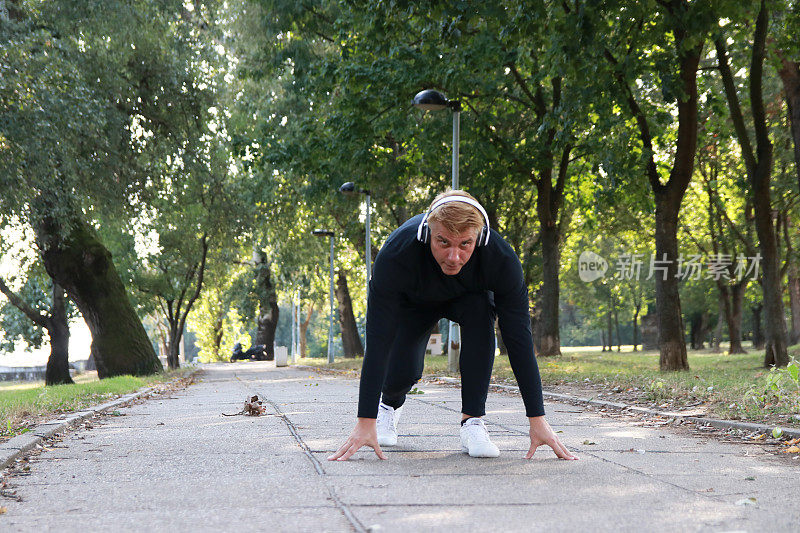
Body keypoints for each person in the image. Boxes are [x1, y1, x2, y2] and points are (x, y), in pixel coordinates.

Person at [328, 190, 577, 461]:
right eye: (443, 242)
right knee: (403, 370)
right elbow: (378, 338)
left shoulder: (501, 260)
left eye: (465, 245)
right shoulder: (396, 254)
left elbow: (519, 339)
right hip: (415, 302)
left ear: (479, 238)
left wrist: (537, 419)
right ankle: (388, 405)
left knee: (482, 313)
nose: (454, 257)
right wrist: (366, 420)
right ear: (427, 234)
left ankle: (473, 422)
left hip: (470, 300)